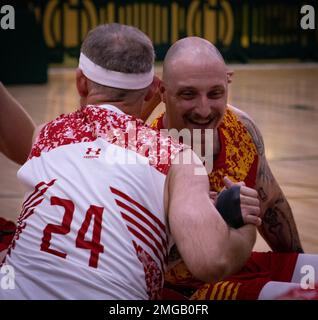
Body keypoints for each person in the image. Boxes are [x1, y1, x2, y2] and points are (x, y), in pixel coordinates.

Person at [0, 24, 258, 299]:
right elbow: (210, 260)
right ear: (152, 92)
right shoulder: (176, 158)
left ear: (80, 82)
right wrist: (246, 228)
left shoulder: (47, 135)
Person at [147, 36, 318, 300]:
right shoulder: (144, 152)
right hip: (182, 290)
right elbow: (139, 259)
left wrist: (298, 266)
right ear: (162, 93)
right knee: (304, 297)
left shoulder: (241, 127)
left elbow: (271, 204)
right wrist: (208, 221)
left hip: (239, 264)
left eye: (215, 93)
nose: (204, 110)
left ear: (228, 81)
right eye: (188, 94)